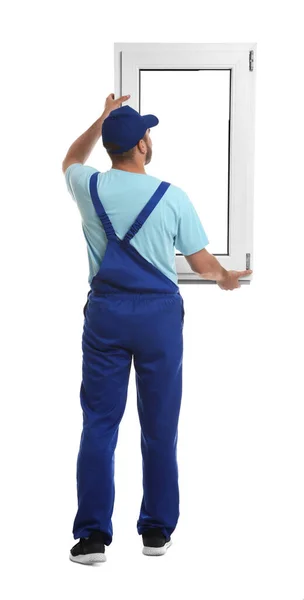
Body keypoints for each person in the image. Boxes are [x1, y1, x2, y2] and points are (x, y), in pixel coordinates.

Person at [62, 93, 253, 565]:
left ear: (110, 148)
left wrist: (100, 118)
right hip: (159, 319)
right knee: (160, 427)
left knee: (100, 424)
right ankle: (155, 532)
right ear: (143, 146)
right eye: (148, 132)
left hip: (106, 314)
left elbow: (70, 158)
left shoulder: (89, 187)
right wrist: (226, 278)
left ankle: (91, 540)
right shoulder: (173, 197)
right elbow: (203, 262)